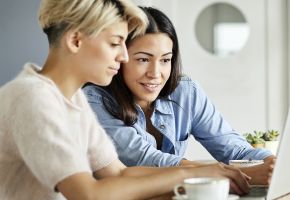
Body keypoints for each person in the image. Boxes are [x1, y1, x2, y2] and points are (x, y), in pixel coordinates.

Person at [0, 1, 252, 199]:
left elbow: (118, 173)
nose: (123, 57)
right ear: (76, 40)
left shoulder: (73, 99)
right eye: (114, 44)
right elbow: (90, 195)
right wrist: (196, 172)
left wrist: (200, 173)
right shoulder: (33, 97)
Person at [83, 6, 290, 186]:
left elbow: (233, 149)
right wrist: (241, 173)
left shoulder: (185, 91)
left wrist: (272, 163)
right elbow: (143, 159)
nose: (156, 73)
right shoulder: (95, 99)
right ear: (121, 57)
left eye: (165, 60)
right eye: (143, 59)